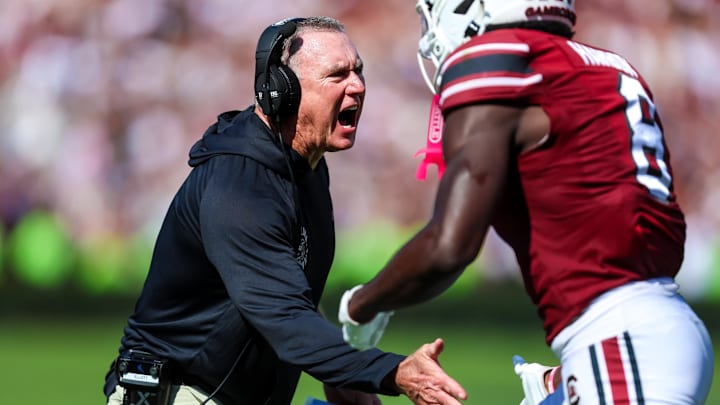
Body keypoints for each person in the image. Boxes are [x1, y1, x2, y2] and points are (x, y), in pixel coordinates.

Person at [338, 1, 715, 404]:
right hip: (649, 331)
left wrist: (360, 307)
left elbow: (449, 248)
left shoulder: (503, 60)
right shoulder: (608, 64)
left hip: (619, 341)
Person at [102, 16, 468, 405]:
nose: (358, 86)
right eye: (337, 75)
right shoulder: (238, 188)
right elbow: (285, 319)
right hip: (179, 394)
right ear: (283, 92)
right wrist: (390, 372)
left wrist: (350, 389)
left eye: (358, 71)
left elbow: (295, 295)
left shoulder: (306, 168)